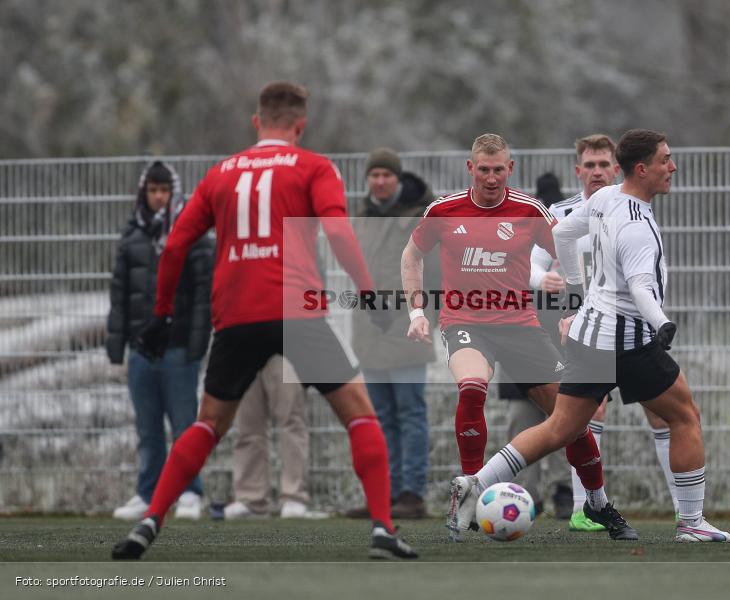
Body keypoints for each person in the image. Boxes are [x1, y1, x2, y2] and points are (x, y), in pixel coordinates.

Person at [112, 81, 416, 560]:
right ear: (300, 124)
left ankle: (150, 521)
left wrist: (163, 313)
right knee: (359, 414)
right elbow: (337, 230)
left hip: (235, 314)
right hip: (297, 308)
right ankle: (382, 529)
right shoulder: (315, 166)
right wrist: (368, 295)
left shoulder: (220, 174)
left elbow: (173, 246)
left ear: (257, 122)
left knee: (209, 423)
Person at [453, 129, 730, 544]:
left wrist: (573, 285)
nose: (672, 167)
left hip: (587, 333)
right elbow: (640, 287)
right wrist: (661, 323)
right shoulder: (637, 223)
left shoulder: (604, 200)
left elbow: (563, 235)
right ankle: (691, 523)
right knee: (684, 415)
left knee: (561, 428)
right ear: (642, 169)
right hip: (629, 340)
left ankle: (475, 483)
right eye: (665, 160)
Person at [401, 133, 637, 541]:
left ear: (510, 170)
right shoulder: (444, 210)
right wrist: (417, 312)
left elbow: (564, 248)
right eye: (484, 170)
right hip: (464, 323)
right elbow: (411, 254)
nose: (491, 178)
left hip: (520, 326)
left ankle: (598, 504)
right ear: (471, 169)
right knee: (472, 388)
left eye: (499, 170)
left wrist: (572, 310)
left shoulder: (529, 210)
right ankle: (470, 493)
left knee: (571, 420)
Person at [530, 135, 681, 532]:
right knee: (586, 415)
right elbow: (535, 260)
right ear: (578, 171)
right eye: (589, 165)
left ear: (617, 168)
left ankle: (685, 512)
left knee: (662, 414)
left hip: (629, 325)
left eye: (603, 164)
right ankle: (585, 508)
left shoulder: (623, 205)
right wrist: (560, 296)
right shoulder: (564, 211)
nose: (596, 171)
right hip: (580, 326)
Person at [106, 161, 213, 521]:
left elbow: (204, 294)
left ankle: (189, 491)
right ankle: (147, 493)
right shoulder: (131, 235)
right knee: (147, 427)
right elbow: (119, 292)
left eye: (164, 190)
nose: (158, 197)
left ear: (174, 192)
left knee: (184, 425)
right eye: (152, 190)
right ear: (143, 192)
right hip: (141, 348)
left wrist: (198, 344)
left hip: (179, 346)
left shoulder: (193, 233)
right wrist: (116, 343)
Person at [345, 148, 436, 519]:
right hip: (370, 329)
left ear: (398, 179)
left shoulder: (422, 216)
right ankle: (383, 493)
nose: (379, 181)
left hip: (407, 327)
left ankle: (411, 494)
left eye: (386, 175)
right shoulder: (361, 216)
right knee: (379, 415)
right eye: (374, 175)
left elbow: (433, 274)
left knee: (410, 412)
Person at [501, 172, 571, 520]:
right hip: (520, 340)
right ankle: (524, 492)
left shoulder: (571, 242)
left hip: (562, 344)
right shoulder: (515, 239)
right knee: (522, 420)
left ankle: (563, 490)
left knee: (563, 418)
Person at [224, 355, 328, 520]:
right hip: (243, 345)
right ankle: (251, 499)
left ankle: (294, 497)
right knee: (247, 426)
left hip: (283, 346)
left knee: (292, 421)